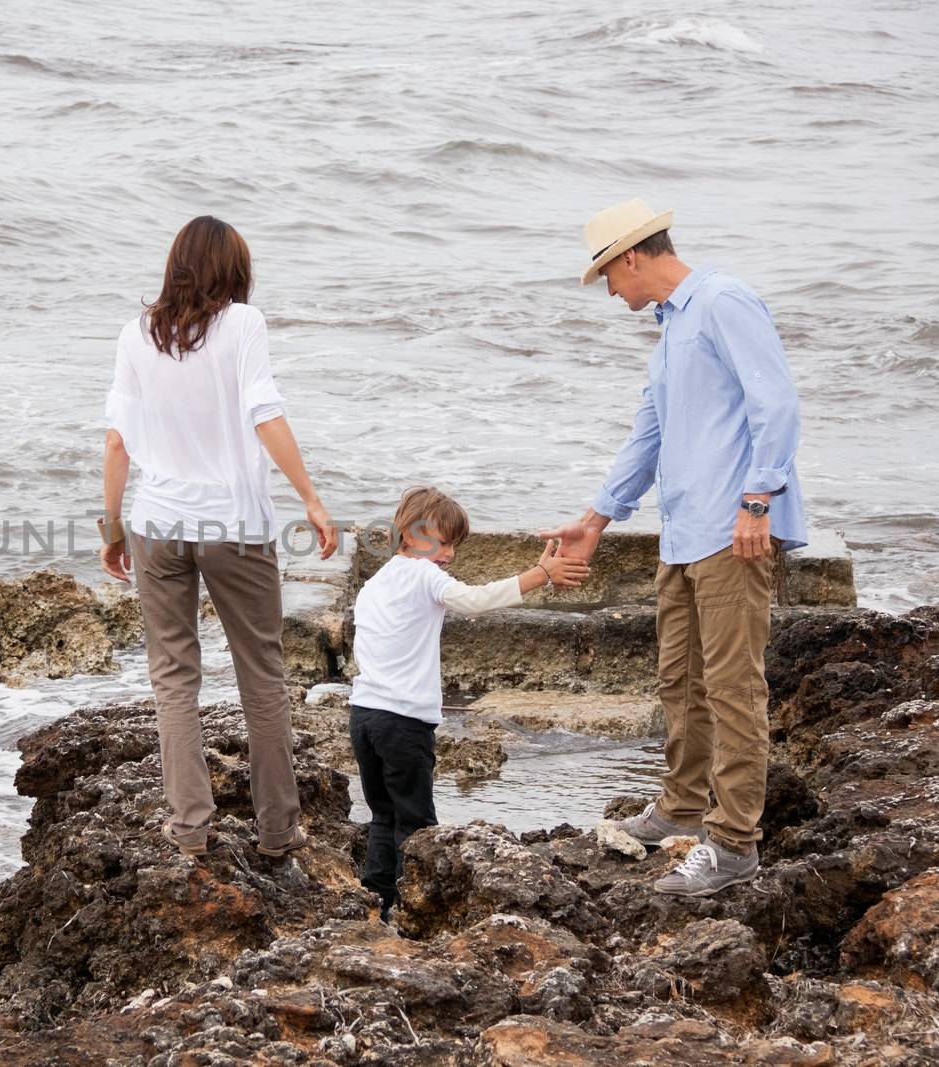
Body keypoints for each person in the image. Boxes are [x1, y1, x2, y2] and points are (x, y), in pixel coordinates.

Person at [542, 199, 807, 897]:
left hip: (731, 529)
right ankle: (684, 804)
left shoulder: (723, 302)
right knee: (679, 680)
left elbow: (775, 403)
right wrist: (596, 520)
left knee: (732, 686)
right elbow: (648, 436)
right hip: (683, 533)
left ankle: (733, 844)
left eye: (607, 274)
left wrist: (758, 499)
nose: (609, 290)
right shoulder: (671, 334)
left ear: (632, 257)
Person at [99, 215, 337, 858]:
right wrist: (310, 500)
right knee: (261, 674)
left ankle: (190, 831)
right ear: (234, 270)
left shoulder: (134, 334)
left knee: (173, 678)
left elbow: (117, 440)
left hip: (155, 525)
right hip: (235, 527)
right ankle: (276, 833)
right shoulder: (242, 325)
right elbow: (266, 413)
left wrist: (112, 525)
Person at [349, 487, 588, 920]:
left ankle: (376, 901)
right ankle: (414, 911)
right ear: (409, 533)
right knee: (417, 823)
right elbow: (475, 602)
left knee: (383, 815)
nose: (450, 554)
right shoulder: (423, 576)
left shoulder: (374, 583)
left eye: (454, 544)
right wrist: (541, 573)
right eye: (443, 542)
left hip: (363, 716)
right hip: (403, 722)